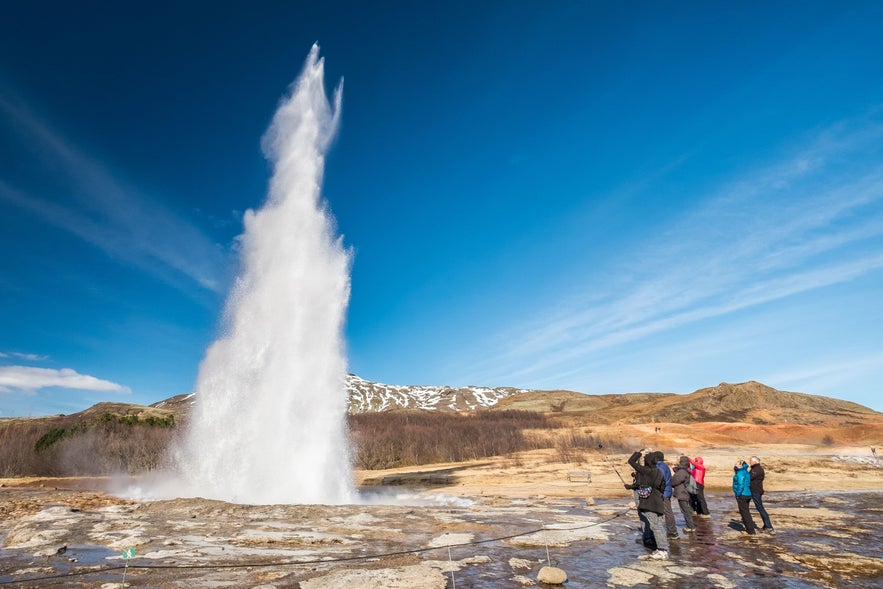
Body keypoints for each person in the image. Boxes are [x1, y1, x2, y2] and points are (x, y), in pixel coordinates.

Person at [626, 449, 669, 560]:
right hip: (658, 501)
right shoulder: (658, 471)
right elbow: (662, 487)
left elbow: (631, 461)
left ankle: (662, 550)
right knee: (659, 526)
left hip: (649, 503)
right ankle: (662, 548)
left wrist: (639, 452)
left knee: (656, 526)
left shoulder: (646, 471)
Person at [652, 451, 677, 539]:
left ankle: (672, 532)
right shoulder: (664, 465)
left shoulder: (660, 467)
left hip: (663, 493)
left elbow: (659, 480)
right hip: (666, 491)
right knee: (666, 511)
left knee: (667, 511)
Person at [749, 456, 774, 533]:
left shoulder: (757, 469)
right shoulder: (755, 469)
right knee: (759, 508)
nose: (750, 462)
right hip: (754, 490)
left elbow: (749, 477)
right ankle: (766, 526)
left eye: (751, 461)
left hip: (756, 491)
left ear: (755, 462)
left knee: (760, 508)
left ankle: (769, 526)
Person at [671, 456, 697, 532]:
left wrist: (671, 479)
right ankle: (691, 526)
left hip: (682, 493)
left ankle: (691, 527)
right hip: (684, 493)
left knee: (685, 511)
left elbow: (674, 481)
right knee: (686, 510)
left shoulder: (682, 472)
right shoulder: (685, 470)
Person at [733, 459, 757, 535]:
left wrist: (738, 494)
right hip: (747, 494)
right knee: (746, 512)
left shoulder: (740, 473)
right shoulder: (745, 472)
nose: (735, 465)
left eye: (736, 464)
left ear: (740, 465)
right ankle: (750, 529)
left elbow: (740, 485)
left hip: (742, 495)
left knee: (744, 513)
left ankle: (750, 531)